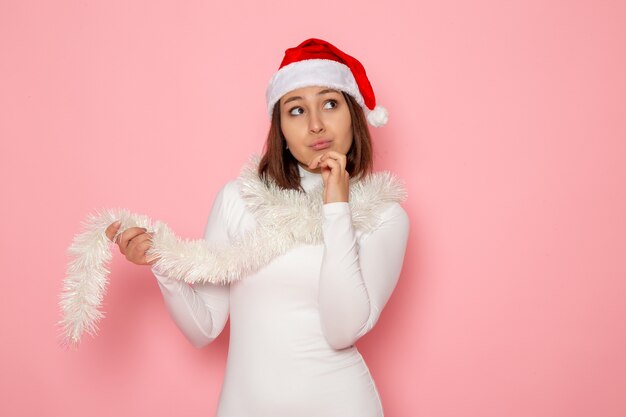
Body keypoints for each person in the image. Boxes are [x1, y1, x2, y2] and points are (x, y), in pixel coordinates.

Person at [105, 38, 409, 417]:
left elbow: (341, 329)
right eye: (296, 110)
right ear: (279, 126)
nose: (316, 124)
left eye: (330, 104)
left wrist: (336, 208)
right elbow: (204, 329)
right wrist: (162, 261)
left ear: (353, 113)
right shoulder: (239, 200)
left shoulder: (383, 215)